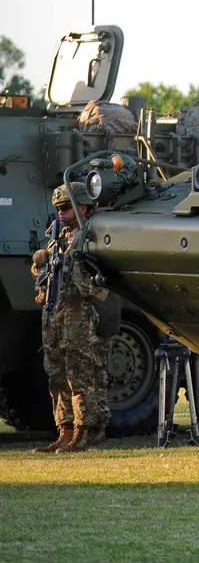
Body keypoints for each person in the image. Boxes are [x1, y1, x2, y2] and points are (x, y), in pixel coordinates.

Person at [30, 183, 109, 453]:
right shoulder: (58, 235)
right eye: (58, 208)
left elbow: (102, 278)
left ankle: (83, 432)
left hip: (78, 312)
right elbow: (46, 272)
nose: (61, 213)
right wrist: (40, 265)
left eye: (65, 208)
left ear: (82, 207)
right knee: (56, 374)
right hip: (54, 310)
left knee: (80, 373)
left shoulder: (93, 235)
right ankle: (64, 430)